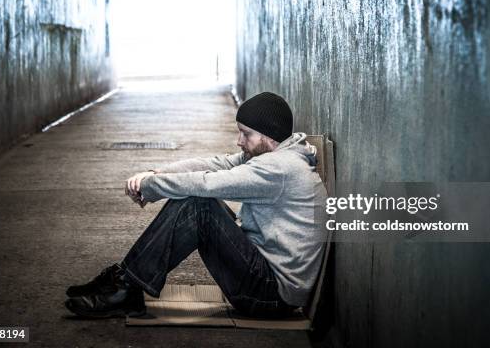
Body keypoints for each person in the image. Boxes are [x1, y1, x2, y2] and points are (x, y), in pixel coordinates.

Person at [64, 92, 327, 319]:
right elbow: (215, 164)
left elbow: (207, 183)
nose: (239, 141)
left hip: (271, 296)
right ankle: (125, 282)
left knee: (199, 205)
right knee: (197, 200)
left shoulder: (279, 169)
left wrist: (151, 187)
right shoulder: (278, 155)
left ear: (269, 136)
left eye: (246, 134)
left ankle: (125, 286)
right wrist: (155, 172)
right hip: (266, 279)